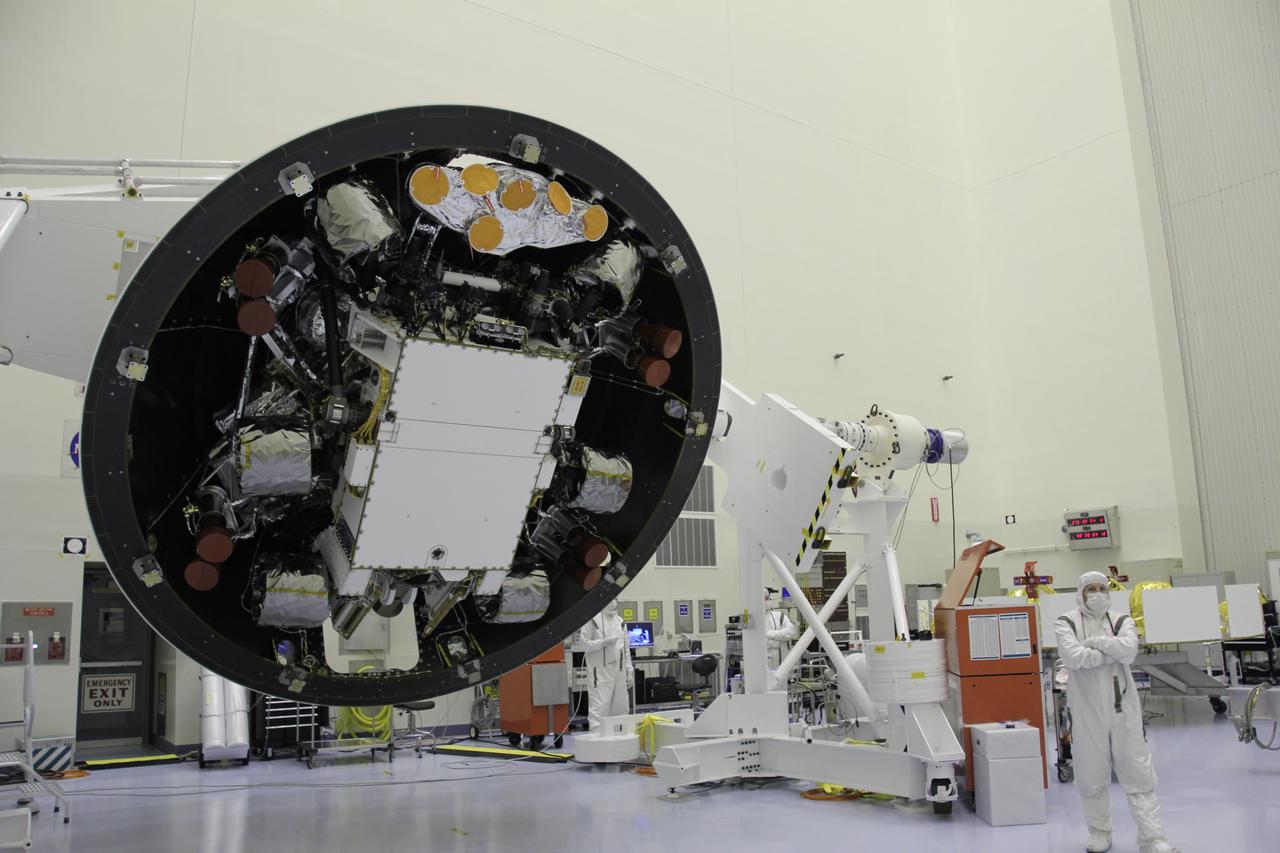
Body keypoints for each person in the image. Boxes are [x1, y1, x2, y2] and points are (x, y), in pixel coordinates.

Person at [1055, 571, 1179, 853]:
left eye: (1102, 588)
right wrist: (1112, 651)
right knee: (1091, 773)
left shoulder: (1122, 620)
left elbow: (1130, 651)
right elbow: (1073, 657)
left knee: (1138, 772)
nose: (1097, 593)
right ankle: (1099, 833)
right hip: (1086, 712)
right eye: (1091, 589)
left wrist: (1095, 643)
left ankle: (1153, 838)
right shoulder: (1066, 622)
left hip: (1123, 708)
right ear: (1081, 593)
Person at [577, 600, 633, 729]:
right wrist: (602, 643)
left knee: (621, 707)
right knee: (600, 708)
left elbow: (626, 648)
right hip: (600, 672)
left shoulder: (620, 622)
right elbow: (583, 644)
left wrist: (629, 671)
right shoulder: (592, 621)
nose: (613, 603)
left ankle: (620, 738)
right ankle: (598, 739)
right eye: (610, 599)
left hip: (619, 671)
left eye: (615, 599)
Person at [764, 587, 798, 670]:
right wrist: (778, 639)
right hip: (764, 664)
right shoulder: (755, 622)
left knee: (782, 681)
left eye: (767, 598)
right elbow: (759, 642)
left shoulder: (779, 616)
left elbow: (791, 632)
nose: (766, 601)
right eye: (763, 599)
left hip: (782, 663)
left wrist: (769, 634)